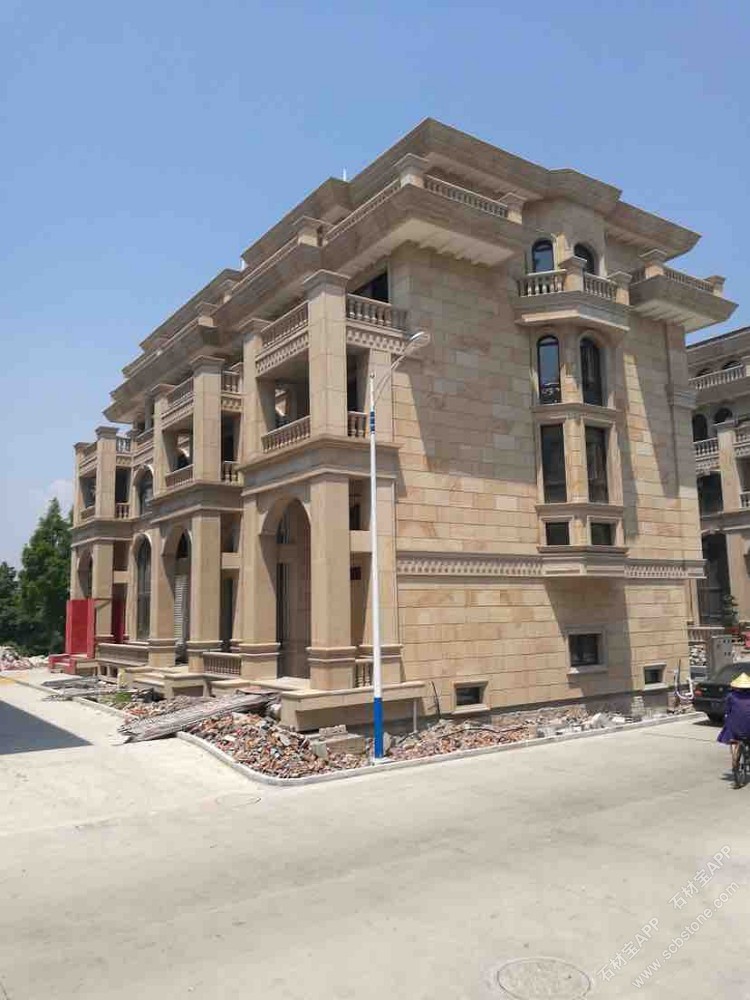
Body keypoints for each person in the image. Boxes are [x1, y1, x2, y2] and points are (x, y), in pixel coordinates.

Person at [717, 672, 750, 777]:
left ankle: (735, 760)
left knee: (731, 726)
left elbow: (726, 710)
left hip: (734, 728)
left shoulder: (730, 696)